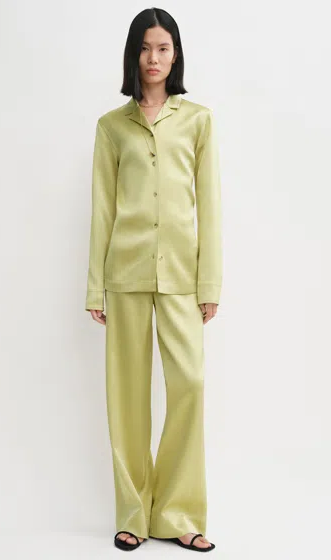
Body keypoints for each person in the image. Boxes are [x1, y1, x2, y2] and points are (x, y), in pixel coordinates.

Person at [85, 7, 222, 553]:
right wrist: (95, 287)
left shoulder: (199, 121)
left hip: (183, 277)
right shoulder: (111, 127)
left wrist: (210, 283)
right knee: (128, 396)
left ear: (176, 54)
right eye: (145, 48)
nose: (153, 58)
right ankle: (132, 514)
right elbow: (102, 211)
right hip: (124, 273)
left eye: (163, 48)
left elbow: (209, 207)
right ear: (133, 54)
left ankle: (178, 513)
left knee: (189, 384)